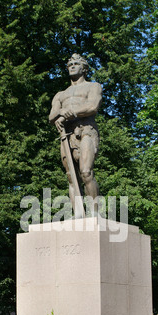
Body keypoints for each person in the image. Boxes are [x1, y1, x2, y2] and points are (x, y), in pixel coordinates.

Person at [49, 54, 102, 215]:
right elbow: (51, 116)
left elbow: (93, 106)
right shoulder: (60, 94)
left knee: (85, 172)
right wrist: (61, 113)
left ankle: (94, 214)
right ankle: (79, 215)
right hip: (67, 134)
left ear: (84, 68)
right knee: (71, 177)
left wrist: (69, 113)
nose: (72, 66)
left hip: (86, 129)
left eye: (76, 63)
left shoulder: (93, 86)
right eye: (70, 64)